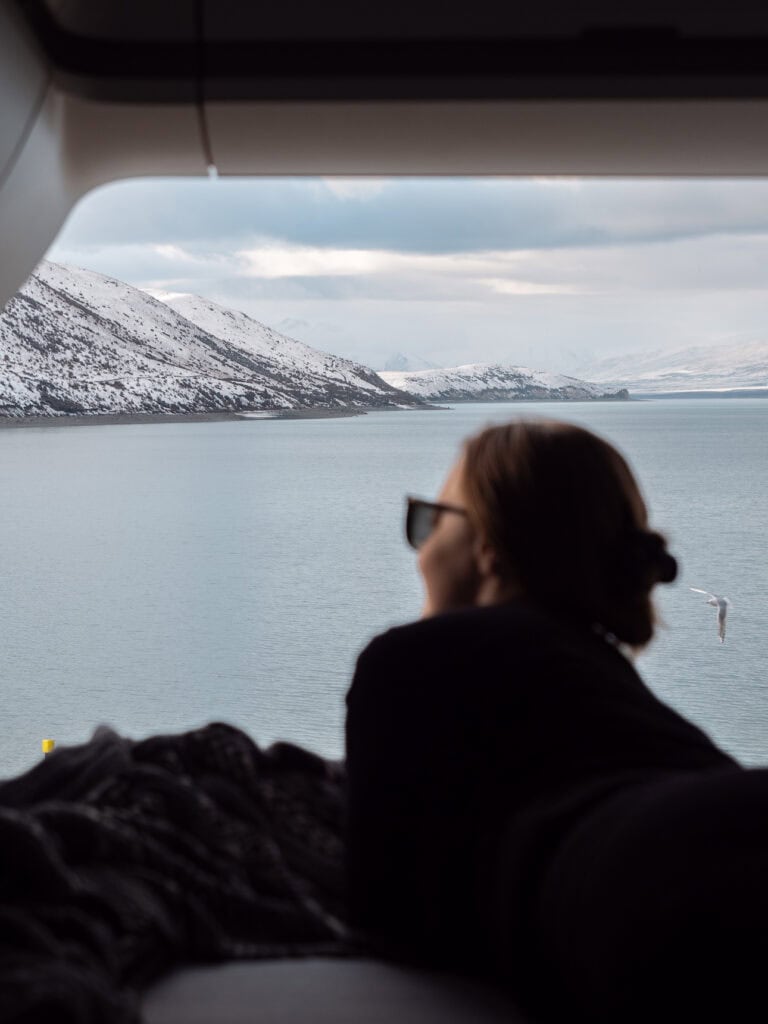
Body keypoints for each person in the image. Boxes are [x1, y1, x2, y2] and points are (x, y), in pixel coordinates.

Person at [344, 419, 764, 1023]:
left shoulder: (407, 662)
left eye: (430, 521)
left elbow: (384, 916)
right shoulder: (614, 690)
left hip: (657, 885)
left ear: (487, 548)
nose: (423, 551)